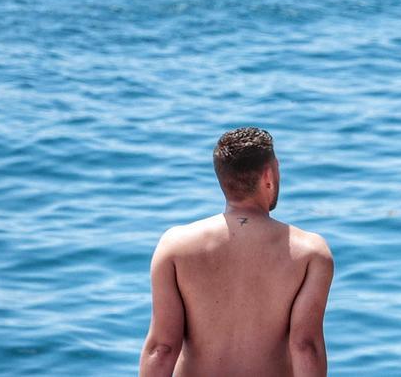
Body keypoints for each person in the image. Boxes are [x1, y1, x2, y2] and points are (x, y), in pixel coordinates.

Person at [139, 127, 334, 377]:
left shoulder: (174, 246)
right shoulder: (310, 253)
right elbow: (306, 347)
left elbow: (162, 348)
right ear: (269, 174)